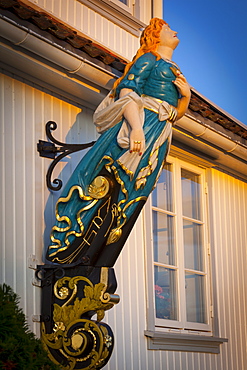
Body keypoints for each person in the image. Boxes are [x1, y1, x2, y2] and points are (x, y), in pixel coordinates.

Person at [46, 18, 191, 266]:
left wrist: (185, 97)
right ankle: (77, 242)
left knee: (137, 189)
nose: (175, 30)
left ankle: (105, 248)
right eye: (168, 29)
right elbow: (127, 91)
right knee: (114, 178)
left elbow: (175, 115)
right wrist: (136, 128)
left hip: (160, 134)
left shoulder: (174, 68)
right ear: (156, 36)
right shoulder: (150, 60)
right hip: (145, 125)